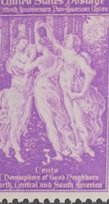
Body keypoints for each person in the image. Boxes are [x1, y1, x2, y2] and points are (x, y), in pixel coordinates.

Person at [24, 24, 80, 161]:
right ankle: (72, 149)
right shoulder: (57, 58)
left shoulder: (40, 59)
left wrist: (32, 55)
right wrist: (38, 31)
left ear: (42, 47)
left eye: (38, 46)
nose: (37, 48)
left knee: (50, 123)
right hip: (54, 91)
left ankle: (59, 154)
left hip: (42, 90)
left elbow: (26, 69)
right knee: (62, 120)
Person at [54, 34, 105, 159]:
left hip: (75, 93)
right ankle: (78, 145)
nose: (67, 40)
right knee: (71, 121)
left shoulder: (78, 58)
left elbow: (90, 73)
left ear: (75, 43)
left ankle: (86, 146)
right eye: (67, 39)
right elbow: (54, 43)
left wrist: (82, 92)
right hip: (65, 92)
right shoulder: (63, 53)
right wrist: (44, 28)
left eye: (70, 39)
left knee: (79, 122)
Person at [0, 37, 36, 162]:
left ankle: (8, 146)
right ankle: (17, 152)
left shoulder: (27, 56)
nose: (25, 44)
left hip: (28, 92)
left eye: (26, 43)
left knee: (23, 122)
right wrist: (33, 56)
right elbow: (26, 69)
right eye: (23, 42)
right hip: (17, 93)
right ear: (16, 44)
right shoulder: (13, 59)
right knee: (15, 122)